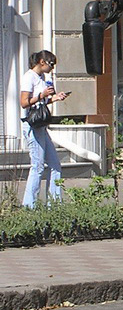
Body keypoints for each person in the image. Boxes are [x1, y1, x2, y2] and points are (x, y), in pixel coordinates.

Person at [20, 50, 69, 208]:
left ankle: (54, 204)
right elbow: (24, 103)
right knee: (38, 166)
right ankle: (29, 206)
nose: (52, 68)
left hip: (41, 125)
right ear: (42, 62)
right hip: (32, 125)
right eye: (51, 64)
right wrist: (42, 95)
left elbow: (41, 104)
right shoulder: (29, 77)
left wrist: (55, 97)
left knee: (55, 164)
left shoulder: (41, 78)